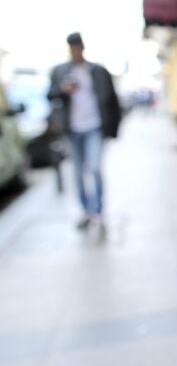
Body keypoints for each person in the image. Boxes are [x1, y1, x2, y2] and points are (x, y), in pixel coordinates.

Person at [48, 32, 121, 230]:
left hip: (94, 127)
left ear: (82, 48)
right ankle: (86, 211)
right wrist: (62, 90)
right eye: (72, 48)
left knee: (95, 169)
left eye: (77, 47)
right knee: (78, 173)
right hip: (72, 130)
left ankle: (99, 210)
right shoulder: (60, 71)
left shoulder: (97, 71)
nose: (75, 51)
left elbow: (112, 101)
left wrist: (114, 130)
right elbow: (50, 95)